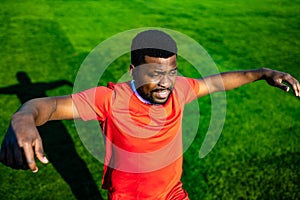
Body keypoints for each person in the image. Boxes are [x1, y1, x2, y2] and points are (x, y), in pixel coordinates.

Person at [0, 30, 299, 200]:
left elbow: (215, 82)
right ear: (134, 71)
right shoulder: (110, 99)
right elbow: (48, 106)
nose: (166, 82)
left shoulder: (179, 88)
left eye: (172, 71)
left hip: (173, 194)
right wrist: (24, 117)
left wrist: (262, 73)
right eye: (156, 74)